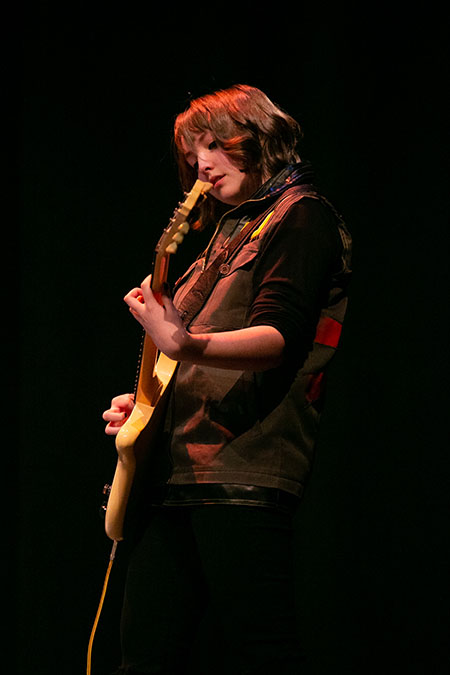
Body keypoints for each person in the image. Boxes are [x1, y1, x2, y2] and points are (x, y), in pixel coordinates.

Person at [102, 84, 352, 675]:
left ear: (259, 136)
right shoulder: (221, 234)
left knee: (261, 654)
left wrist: (184, 341)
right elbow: (180, 360)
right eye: (194, 153)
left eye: (214, 145)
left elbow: (277, 337)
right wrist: (144, 405)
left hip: (241, 471)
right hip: (173, 473)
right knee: (146, 659)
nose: (201, 164)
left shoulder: (301, 216)